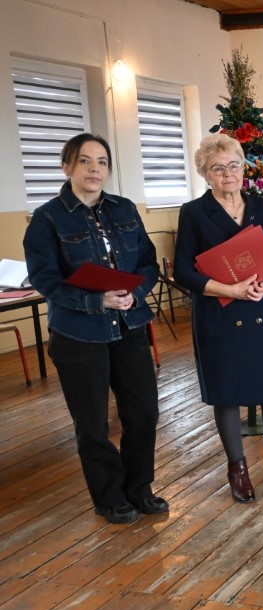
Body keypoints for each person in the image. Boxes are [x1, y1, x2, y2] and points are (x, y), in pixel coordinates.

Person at [23, 133, 167, 524]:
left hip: (128, 325)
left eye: (102, 161)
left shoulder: (125, 209)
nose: (94, 169)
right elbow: (45, 279)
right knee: (92, 424)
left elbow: (148, 263)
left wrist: (136, 293)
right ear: (66, 166)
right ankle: (109, 497)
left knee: (144, 413)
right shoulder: (47, 218)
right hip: (78, 334)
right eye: (85, 161)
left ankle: (139, 489)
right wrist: (95, 301)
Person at [173, 134, 263, 503]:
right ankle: (237, 469)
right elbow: (182, 272)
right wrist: (230, 290)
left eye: (234, 165)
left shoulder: (261, 207)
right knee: (227, 394)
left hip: (259, 309)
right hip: (218, 314)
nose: (228, 173)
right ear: (205, 174)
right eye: (217, 168)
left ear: (244, 168)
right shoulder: (194, 212)